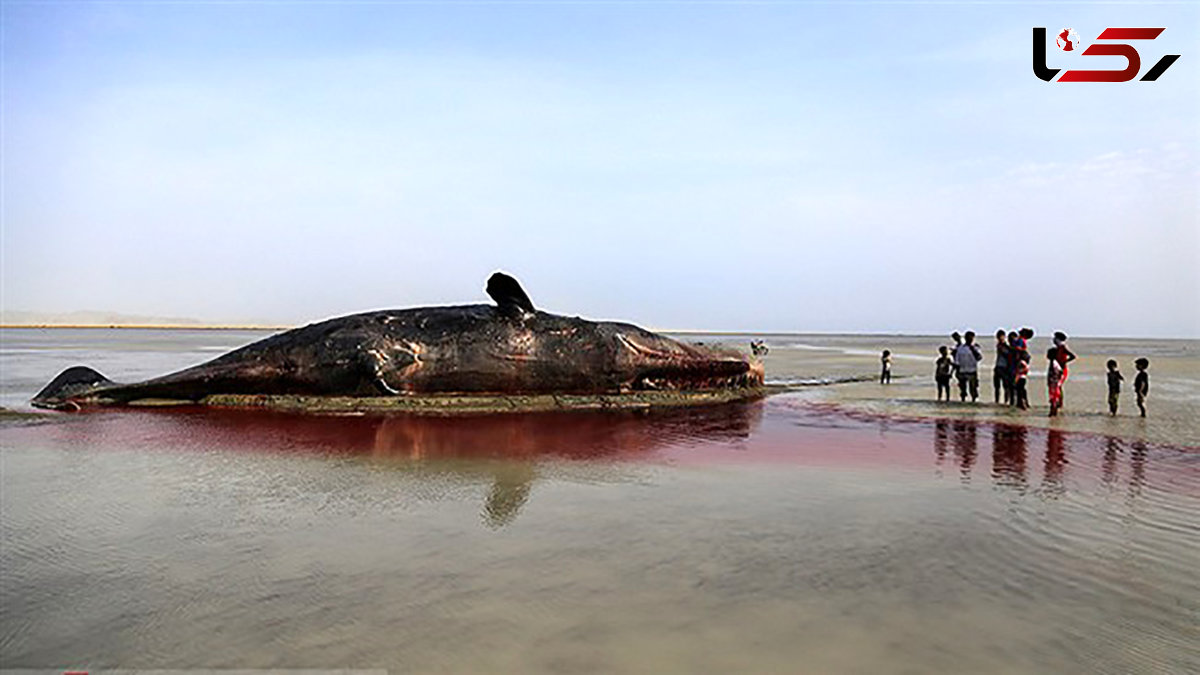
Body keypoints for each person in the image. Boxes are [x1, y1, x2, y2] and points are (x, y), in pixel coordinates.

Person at [953, 331, 983, 402]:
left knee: (973, 388)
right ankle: (963, 400)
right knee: (962, 388)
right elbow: (957, 361)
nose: (970, 339)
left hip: (972, 371)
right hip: (962, 371)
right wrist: (956, 372)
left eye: (971, 338)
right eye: (968, 337)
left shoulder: (976, 348)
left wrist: (972, 349)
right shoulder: (960, 348)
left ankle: (974, 401)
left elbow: (979, 358)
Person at [1052, 331, 1077, 408]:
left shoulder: (1063, 347)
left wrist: (1064, 362)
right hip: (1057, 370)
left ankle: (1060, 403)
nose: (1054, 339)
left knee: (1058, 385)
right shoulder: (1057, 348)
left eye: (1055, 338)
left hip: (1063, 370)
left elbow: (1073, 356)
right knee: (1057, 386)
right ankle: (1058, 402)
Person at [993, 330, 1012, 405]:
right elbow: (1006, 353)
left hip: (1004, 367)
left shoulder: (1005, 345)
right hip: (999, 366)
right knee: (997, 386)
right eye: (999, 337)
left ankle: (1006, 400)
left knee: (1005, 386)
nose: (1001, 338)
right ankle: (997, 400)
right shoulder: (1000, 345)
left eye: (1002, 337)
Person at [1047, 347, 1065, 417]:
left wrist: (1056, 380)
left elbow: (1059, 372)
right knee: (1054, 397)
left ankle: (1053, 412)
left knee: (1053, 398)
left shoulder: (1054, 363)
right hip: (1054, 382)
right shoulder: (1054, 363)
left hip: (1053, 382)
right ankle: (1053, 412)